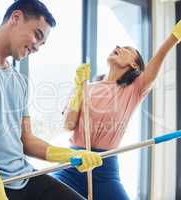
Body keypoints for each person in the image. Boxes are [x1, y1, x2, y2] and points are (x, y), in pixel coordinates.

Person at [0, 0, 102, 200]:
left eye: (42, 44)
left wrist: (70, 155)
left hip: (22, 176)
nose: (37, 48)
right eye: (38, 35)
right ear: (16, 18)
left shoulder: (19, 81)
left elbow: (26, 140)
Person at [51, 20, 181, 200]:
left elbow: (158, 57)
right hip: (73, 164)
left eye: (127, 48)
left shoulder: (135, 89)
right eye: (118, 45)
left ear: (135, 65)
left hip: (104, 169)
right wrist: (78, 87)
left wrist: (174, 37)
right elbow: (68, 125)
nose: (118, 47)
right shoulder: (86, 86)